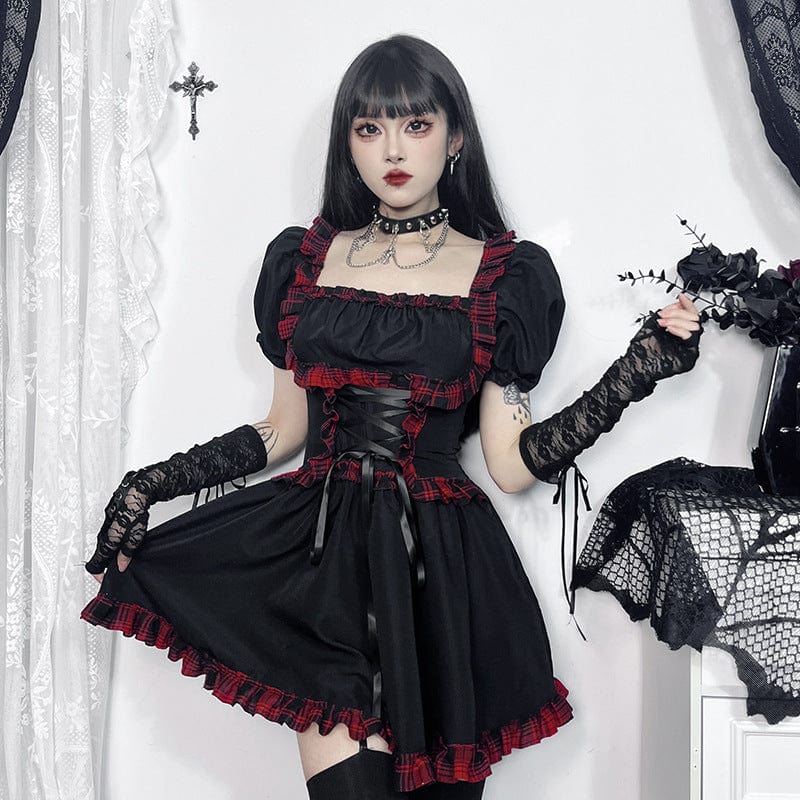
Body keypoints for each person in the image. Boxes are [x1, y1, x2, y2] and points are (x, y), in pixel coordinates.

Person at [81, 34, 701, 800]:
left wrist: (636, 372)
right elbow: (282, 430)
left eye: (416, 124)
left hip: (440, 574)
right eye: (370, 128)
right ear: (348, 143)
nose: (393, 149)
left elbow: (510, 464)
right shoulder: (302, 261)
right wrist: (155, 482)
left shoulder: (506, 276)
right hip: (322, 570)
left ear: (456, 136)